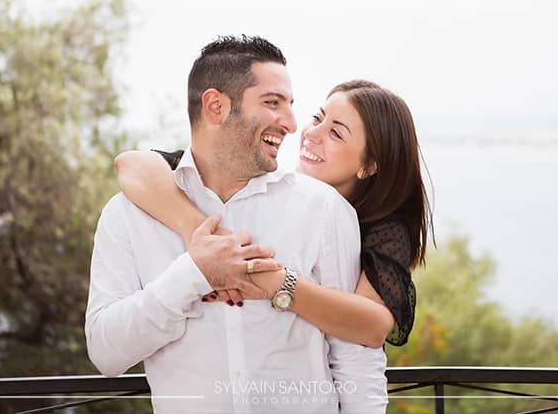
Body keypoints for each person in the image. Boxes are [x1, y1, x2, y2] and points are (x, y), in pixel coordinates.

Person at [85, 36, 387, 413]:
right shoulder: (128, 215)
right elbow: (105, 352)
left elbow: (357, 362)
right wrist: (194, 274)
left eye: (291, 106)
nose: (293, 124)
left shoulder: (325, 210)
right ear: (216, 106)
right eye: (272, 103)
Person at [115, 80, 433, 349]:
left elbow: (372, 324)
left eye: (336, 133)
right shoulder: (265, 180)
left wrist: (271, 280)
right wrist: (202, 235)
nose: (311, 133)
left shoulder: (383, 227)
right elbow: (131, 165)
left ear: (369, 165)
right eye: (317, 118)